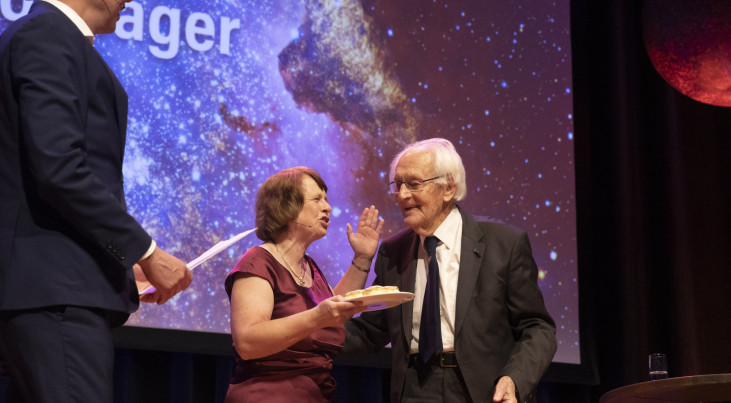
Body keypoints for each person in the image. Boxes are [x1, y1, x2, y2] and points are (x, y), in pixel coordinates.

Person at [0, 1, 193, 402]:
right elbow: (59, 169)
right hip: (55, 294)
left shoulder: (49, 37)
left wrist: (117, 266)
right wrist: (145, 252)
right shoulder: (48, 34)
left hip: (52, 290)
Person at [342, 138, 557, 403]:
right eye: (398, 185)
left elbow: (538, 328)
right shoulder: (392, 252)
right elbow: (371, 331)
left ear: (449, 188)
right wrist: (304, 332)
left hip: (484, 390)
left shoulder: (504, 244)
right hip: (414, 389)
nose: (403, 194)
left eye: (414, 184)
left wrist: (514, 379)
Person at [224, 166, 384, 402]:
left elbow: (333, 314)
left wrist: (362, 258)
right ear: (287, 207)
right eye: (317, 199)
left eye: (327, 199)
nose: (327, 207)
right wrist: (317, 317)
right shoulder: (258, 262)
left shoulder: (309, 267)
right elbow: (247, 342)